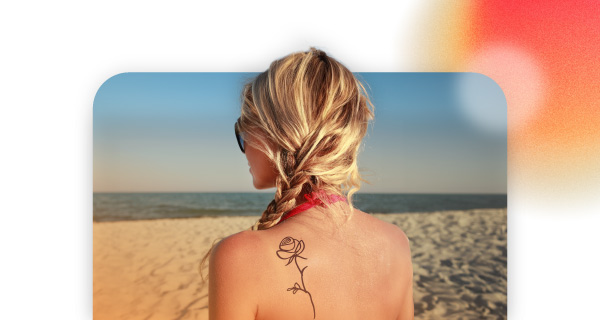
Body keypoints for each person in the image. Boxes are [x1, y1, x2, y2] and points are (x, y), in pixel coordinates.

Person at [201, 47, 413, 320]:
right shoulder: (396, 242)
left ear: (274, 133)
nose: (243, 147)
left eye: (242, 132)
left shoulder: (239, 257)